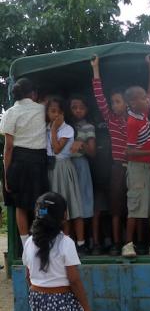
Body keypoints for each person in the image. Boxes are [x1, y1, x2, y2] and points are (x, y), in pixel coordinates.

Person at [122, 56, 150, 258]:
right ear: (132, 103)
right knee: (136, 207)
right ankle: (127, 245)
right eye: (142, 98)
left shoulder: (144, 113)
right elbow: (129, 152)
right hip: (137, 169)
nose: (147, 99)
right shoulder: (132, 122)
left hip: (149, 168)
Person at [0, 78, 48, 248]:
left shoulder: (10, 113)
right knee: (41, 202)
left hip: (18, 162)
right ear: (33, 93)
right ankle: (42, 240)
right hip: (39, 161)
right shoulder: (43, 110)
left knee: (20, 205)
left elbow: (9, 148)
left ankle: (26, 245)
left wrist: (6, 175)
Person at [90, 55, 128, 256]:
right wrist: (96, 69)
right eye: (112, 102)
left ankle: (132, 242)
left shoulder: (135, 120)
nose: (114, 105)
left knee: (134, 208)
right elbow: (99, 97)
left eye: (118, 101)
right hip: (117, 168)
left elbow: (149, 94)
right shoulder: (111, 119)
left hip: (136, 168)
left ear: (127, 103)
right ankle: (115, 243)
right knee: (115, 208)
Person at [46, 97, 85, 254]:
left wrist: (54, 130)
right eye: (52, 111)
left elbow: (56, 149)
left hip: (64, 168)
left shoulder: (67, 129)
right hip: (52, 170)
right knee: (59, 210)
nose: (55, 115)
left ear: (63, 113)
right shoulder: (45, 129)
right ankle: (64, 245)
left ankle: (81, 244)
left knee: (72, 206)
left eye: (58, 112)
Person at [69, 94, 96, 243]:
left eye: (81, 108)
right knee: (68, 202)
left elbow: (92, 152)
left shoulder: (88, 127)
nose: (78, 111)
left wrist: (82, 144)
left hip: (81, 165)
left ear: (86, 110)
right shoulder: (64, 125)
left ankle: (82, 241)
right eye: (74, 107)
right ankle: (69, 240)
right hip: (66, 166)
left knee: (82, 202)